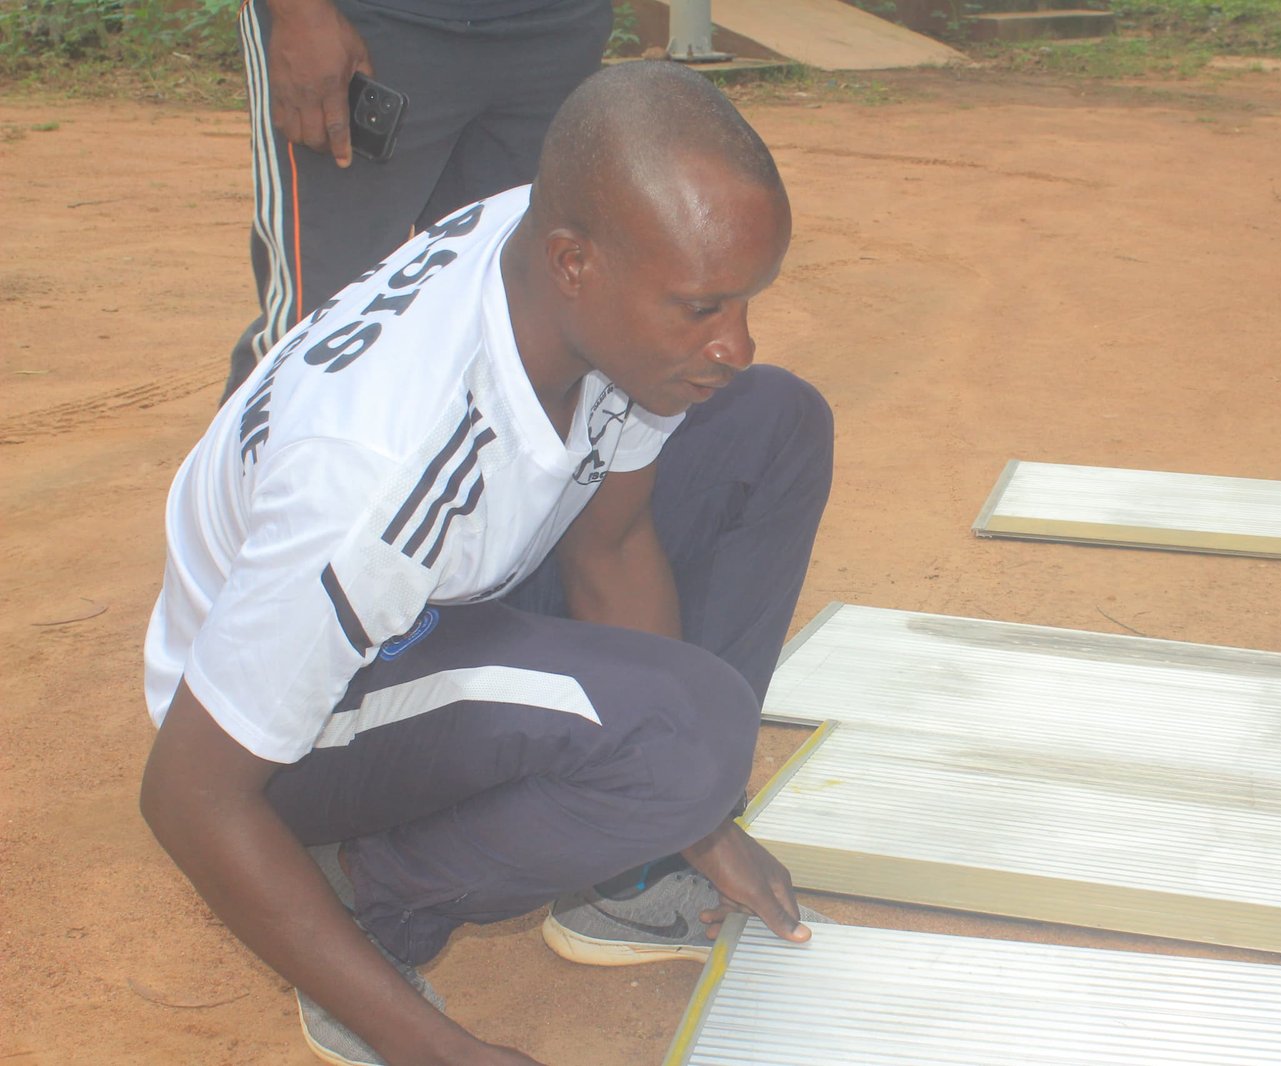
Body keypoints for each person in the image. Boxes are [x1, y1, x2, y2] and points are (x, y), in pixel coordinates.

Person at [141, 61, 833, 1066]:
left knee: (771, 422)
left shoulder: (580, 262)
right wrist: (437, 1051)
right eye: (702, 308)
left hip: (445, 590)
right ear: (573, 262)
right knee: (689, 731)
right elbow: (191, 798)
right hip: (290, 727)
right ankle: (370, 904)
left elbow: (611, 541)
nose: (736, 340)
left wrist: (695, 819)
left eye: (743, 301)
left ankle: (626, 869)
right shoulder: (376, 473)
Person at [224, 0, 614, 400]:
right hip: (367, 29)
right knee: (322, 340)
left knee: (517, 333)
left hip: (554, 31)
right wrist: (300, 13)